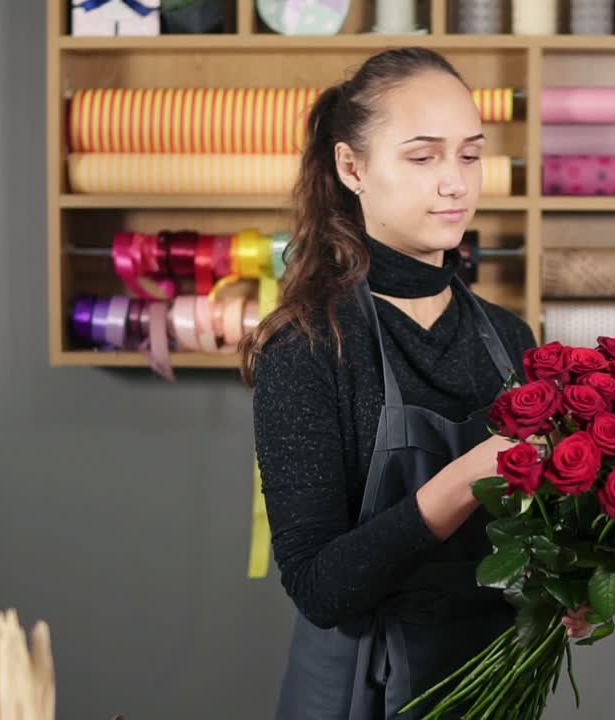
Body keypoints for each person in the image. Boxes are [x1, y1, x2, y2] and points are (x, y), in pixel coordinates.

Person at [240, 47, 590, 720]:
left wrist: (571, 584)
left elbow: (529, 533)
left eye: (469, 154)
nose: (455, 183)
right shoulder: (310, 347)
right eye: (423, 157)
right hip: (358, 697)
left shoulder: (508, 339)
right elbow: (320, 588)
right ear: (352, 167)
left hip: (494, 686)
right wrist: (466, 478)